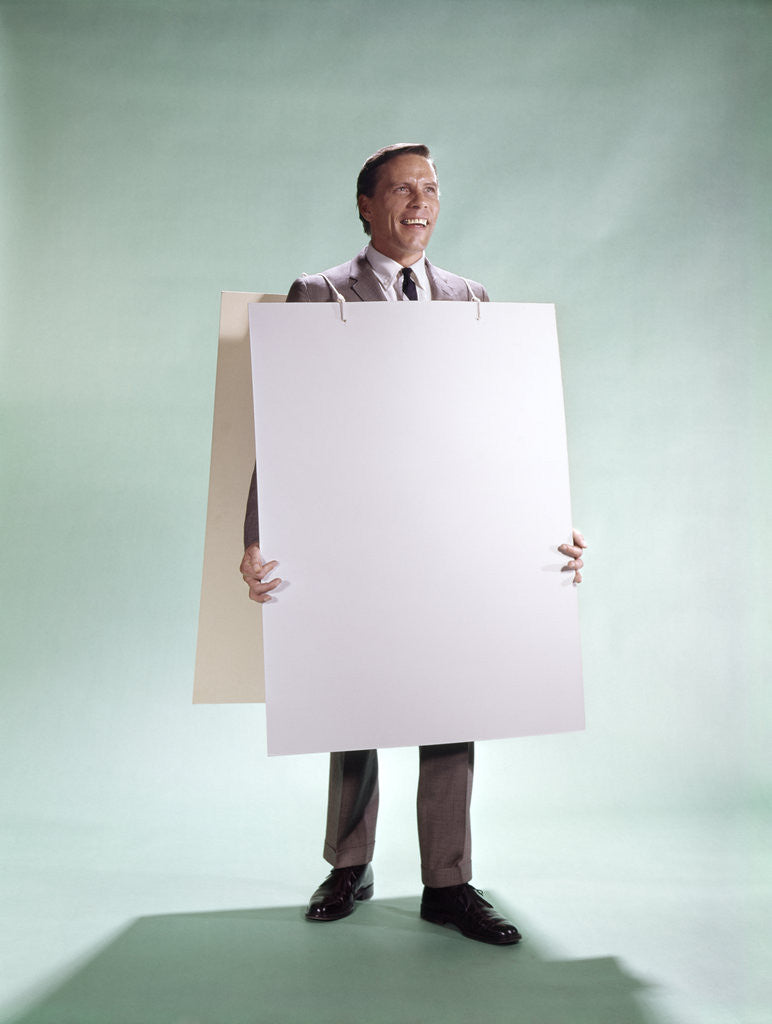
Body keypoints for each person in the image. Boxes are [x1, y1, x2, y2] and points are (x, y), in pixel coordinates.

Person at [240, 144, 587, 946]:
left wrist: (549, 520)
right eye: (402, 189)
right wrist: (256, 540)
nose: (420, 202)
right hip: (351, 529)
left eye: (430, 188)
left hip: (446, 532)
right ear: (365, 204)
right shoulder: (318, 293)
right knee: (350, 696)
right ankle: (348, 864)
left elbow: (503, 432)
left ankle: (448, 883)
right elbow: (282, 430)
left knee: (451, 696)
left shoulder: (473, 300)